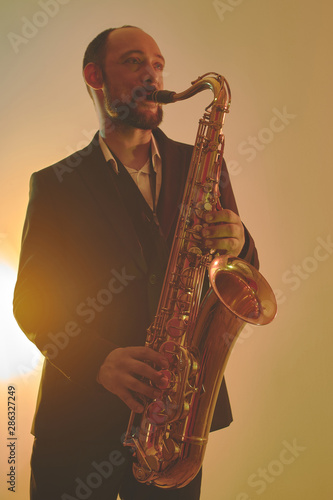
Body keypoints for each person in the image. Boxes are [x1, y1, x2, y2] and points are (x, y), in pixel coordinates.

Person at [13, 26, 259, 500]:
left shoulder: (202, 165)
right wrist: (97, 360)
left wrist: (241, 239)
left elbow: (238, 270)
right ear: (94, 75)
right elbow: (31, 302)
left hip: (178, 425)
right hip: (78, 425)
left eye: (159, 64)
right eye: (133, 62)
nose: (152, 74)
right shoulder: (55, 184)